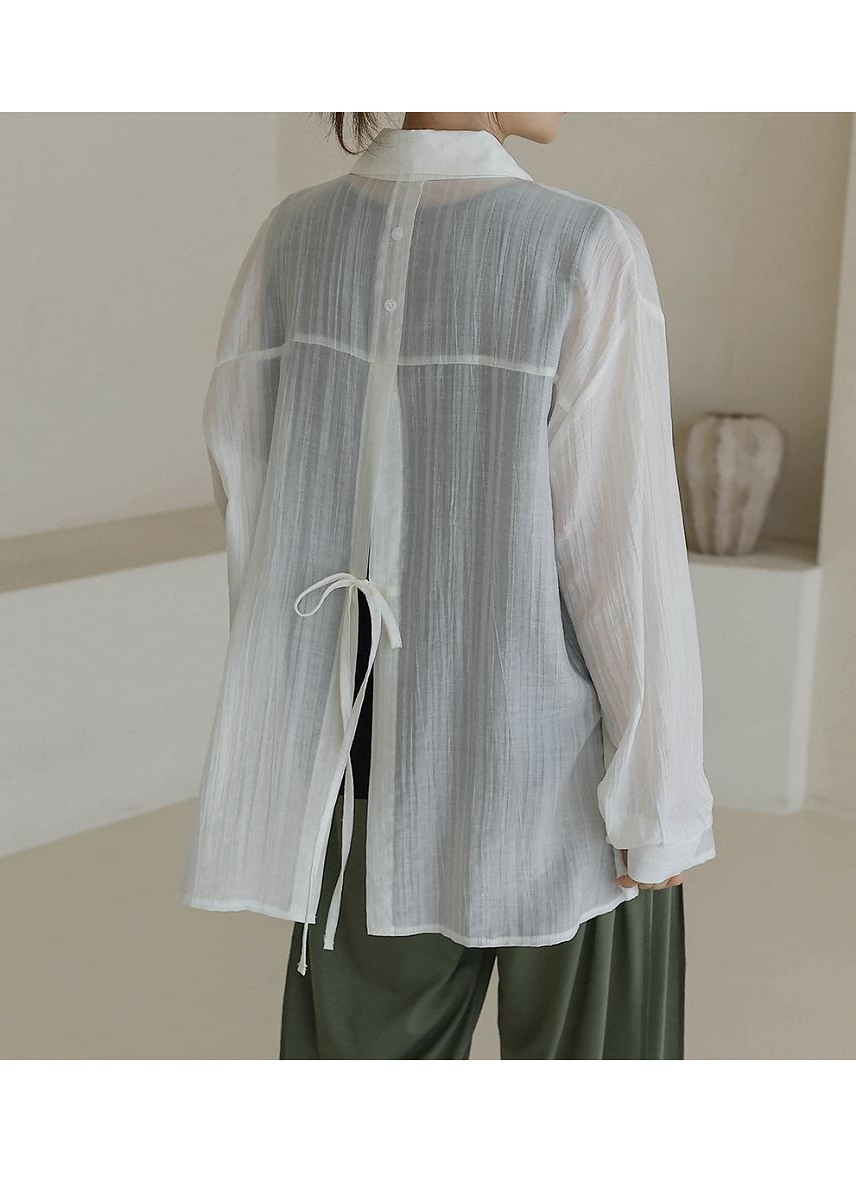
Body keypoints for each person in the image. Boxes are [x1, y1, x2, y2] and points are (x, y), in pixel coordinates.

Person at [182, 112, 717, 1059]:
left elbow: (254, 509)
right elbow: (622, 556)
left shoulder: (291, 238)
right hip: (565, 792)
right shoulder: (583, 248)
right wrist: (660, 806)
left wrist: (301, 722)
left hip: (361, 769)